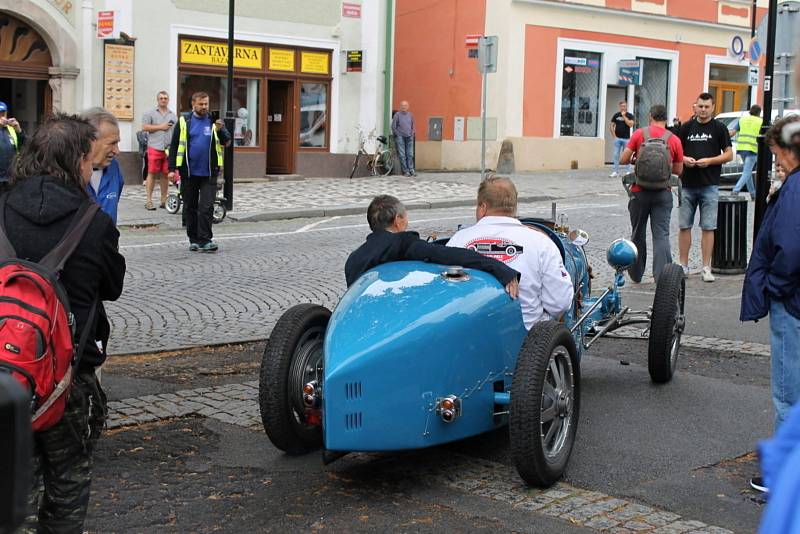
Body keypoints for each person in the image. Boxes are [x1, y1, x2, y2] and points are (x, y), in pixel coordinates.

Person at [3, 114, 125, 532]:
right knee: (68, 483)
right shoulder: (93, 221)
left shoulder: (1, 209)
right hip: (68, 378)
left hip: (6, 373)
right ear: (77, 161)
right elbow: (112, 285)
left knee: (13, 486)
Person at [741, 115, 800, 494]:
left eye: (777, 152)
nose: (775, 159)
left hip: (792, 305)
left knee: (788, 393)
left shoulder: (795, 188)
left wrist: (774, 286)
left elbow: (791, 249)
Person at [447, 176, 573, 330]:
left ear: (482, 207)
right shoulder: (541, 243)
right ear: (514, 207)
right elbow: (560, 303)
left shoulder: (457, 240)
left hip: (469, 338)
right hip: (527, 344)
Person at [345, 194, 519, 298]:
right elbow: (446, 255)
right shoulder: (402, 243)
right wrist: (498, 267)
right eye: (405, 216)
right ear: (398, 221)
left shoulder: (354, 259)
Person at [619, 104, 684, 283]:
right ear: (666, 118)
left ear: (650, 116)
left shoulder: (640, 134)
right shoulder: (674, 139)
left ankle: (636, 273)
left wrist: (636, 160)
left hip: (639, 192)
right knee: (661, 235)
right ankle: (662, 278)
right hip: (663, 193)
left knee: (637, 232)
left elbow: (623, 159)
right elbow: (678, 170)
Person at [678, 92, 733, 282]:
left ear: (713, 107)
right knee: (684, 225)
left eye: (706, 107)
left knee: (708, 227)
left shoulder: (719, 128)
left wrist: (710, 160)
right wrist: (684, 159)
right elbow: (676, 152)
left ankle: (705, 267)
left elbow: (729, 155)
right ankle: (683, 265)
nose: (703, 110)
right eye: (700, 106)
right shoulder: (686, 128)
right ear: (695, 106)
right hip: (687, 184)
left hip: (710, 184)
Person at [167, 92, 230, 253]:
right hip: (188, 171)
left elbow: (227, 141)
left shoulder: (213, 121)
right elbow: (174, 146)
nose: (204, 107)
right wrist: (171, 169)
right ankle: (193, 239)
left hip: (209, 171)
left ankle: (205, 239)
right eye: (201, 104)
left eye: (206, 104)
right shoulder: (184, 121)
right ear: (193, 104)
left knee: (207, 206)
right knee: (190, 206)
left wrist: (221, 129)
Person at [83, 108, 124, 224]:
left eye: (118, 143)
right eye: (112, 143)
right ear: (91, 141)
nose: (117, 151)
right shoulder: (68, 172)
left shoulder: (113, 166)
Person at [142, 91, 177, 210]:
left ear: (168, 100)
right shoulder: (150, 113)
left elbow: (176, 131)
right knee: (151, 173)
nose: (163, 100)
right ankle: (149, 200)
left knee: (165, 174)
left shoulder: (173, 115)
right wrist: (160, 127)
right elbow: (145, 127)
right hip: (154, 147)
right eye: (161, 98)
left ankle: (163, 200)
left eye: (165, 98)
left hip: (168, 148)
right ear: (157, 100)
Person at [730, 105, 763, 200]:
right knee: (747, 172)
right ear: (759, 113)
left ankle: (753, 194)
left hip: (741, 148)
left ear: (750, 112)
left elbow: (732, 132)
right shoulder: (760, 121)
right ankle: (735, 191)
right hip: (752, 149)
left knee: (747, 172)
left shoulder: (742, 120)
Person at [0, 101, 24, 191]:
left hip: (11, 178)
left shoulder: (11, 129)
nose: (2, 117)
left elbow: (25, 145)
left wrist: (19, 130)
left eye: (3, 114)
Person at [609, 101, 634, 178]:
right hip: (618, 139)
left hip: (626, 139)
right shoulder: (616, 115)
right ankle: (615, 172)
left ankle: (628, 171)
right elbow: (611, 126)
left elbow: (630, 125)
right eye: (621, 106)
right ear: (619, 107)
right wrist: (614, 136)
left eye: (624, 106)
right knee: (616, 155)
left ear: (626, 107)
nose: (623, 107)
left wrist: (624, 117)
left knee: (627, 155)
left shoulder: (630, 115)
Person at [391, 100, 415, 177]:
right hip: (400, 137)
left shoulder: (410, 115)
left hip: (409, 136)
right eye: (402, 106)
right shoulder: (397, 115)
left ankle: (411, 170)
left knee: (410, 154)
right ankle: (406, 171)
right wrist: (397, 134)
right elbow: (393, 127)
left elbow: (412, 125)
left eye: (405, 106)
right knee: (402, 155)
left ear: (408, 107)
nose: (404, 107)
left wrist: (412, 133)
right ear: (400, 107)